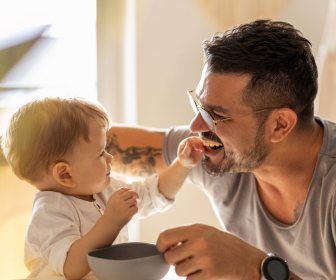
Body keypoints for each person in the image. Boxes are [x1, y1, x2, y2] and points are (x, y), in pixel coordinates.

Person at [106, 19, 335, 279]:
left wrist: (253, 267)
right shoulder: (215, 151)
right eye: (199, 106)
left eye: (215, 115)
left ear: (280, 125)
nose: (196, 125)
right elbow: (93, 146)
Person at [1, 97, 204, 279]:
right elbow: (71, 267)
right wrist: (111, 220)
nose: (110, 157)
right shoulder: (49, 212)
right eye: (100, 153)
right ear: (65, 174)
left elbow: (152, 194)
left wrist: (182, 164)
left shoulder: (103, 189)